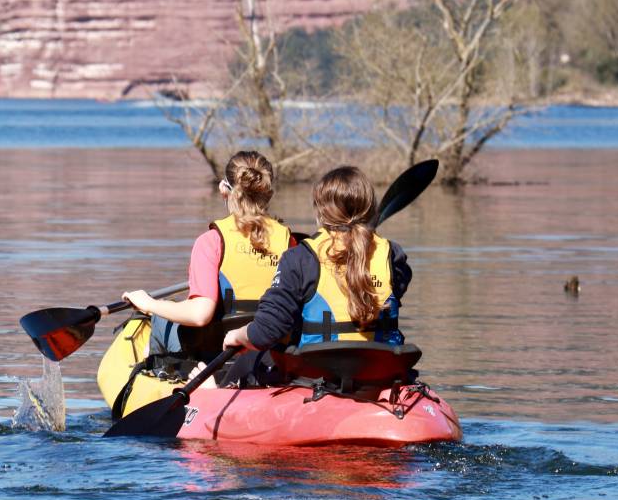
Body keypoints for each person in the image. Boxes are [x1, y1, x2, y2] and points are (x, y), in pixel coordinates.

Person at [220, 165, 411, 385]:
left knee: (250, 361)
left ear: (320, 212)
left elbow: (266, 332)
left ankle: (213, 391)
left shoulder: (299, 258)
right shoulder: (393, 255)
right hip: (382, 374)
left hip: (319, 377)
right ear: (369, 209)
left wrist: (237, 335)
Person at [121, 151, 293, 374]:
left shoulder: (211, 241)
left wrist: (148, 304)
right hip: (269, 349)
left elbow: (200, 315)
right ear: (268, 192)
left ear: (224, 189)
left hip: (216, 353)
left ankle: (154, 374)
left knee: (160, 320)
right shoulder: (291, 240)